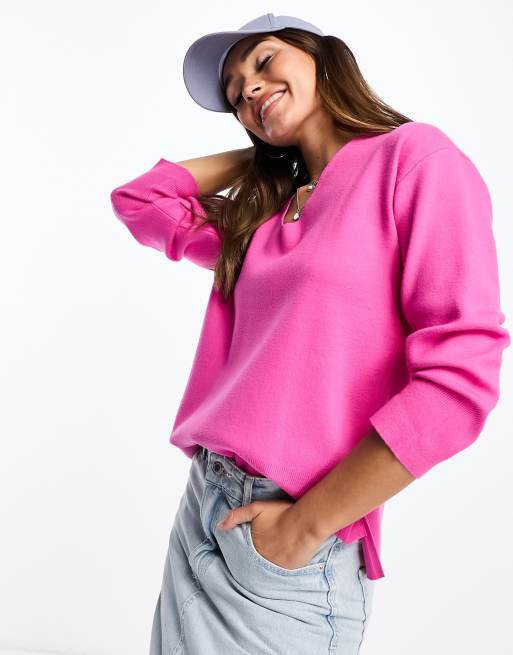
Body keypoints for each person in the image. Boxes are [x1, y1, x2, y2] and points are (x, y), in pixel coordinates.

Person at [110, 13, 510, 655]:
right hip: (207, 504)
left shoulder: (413, 158)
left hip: (291, 537)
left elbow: (460, 382)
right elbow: (141, 201)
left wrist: (305, 526)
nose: (249, 89)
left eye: (264, 62)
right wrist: (267, 152)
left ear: (323, 58)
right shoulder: (266, 216)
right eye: (236, 94)